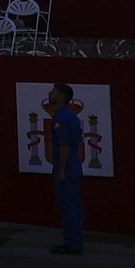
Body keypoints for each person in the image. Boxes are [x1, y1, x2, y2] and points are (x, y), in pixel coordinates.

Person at [48, 83, 85, 256]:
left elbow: (64, 146)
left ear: (61, 95)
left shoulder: (62, 118)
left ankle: (72, 244)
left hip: (66, 168)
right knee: (73, 206)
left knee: (68, 206)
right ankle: (75, 241)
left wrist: (61, 169)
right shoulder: (71, 117)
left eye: (54, 91)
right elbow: (77, 144)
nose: (50, 93)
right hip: (73, 166)